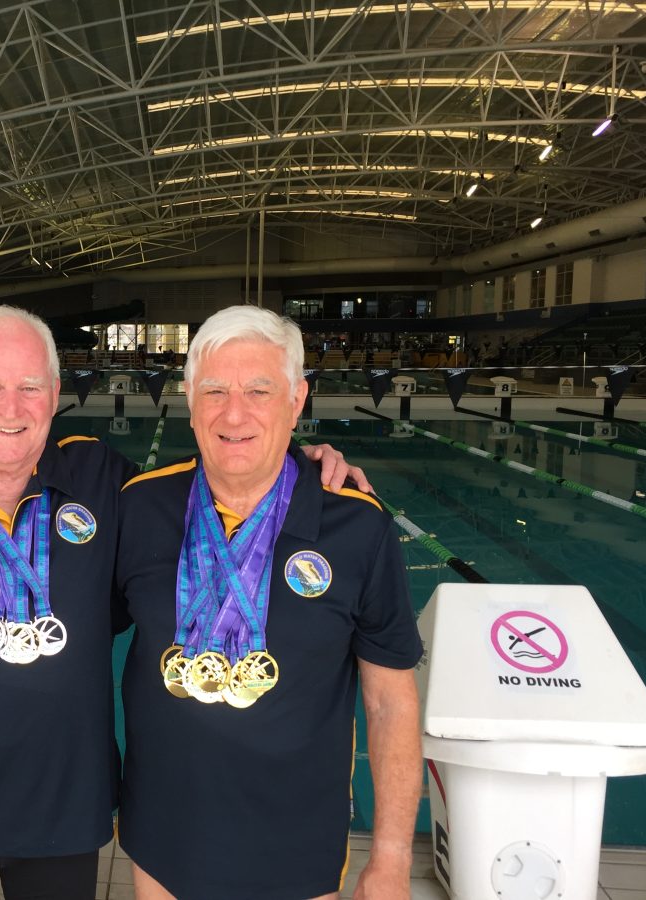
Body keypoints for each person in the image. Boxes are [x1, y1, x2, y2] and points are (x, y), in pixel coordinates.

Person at [0, 305, 370, 900]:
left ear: (55, 393)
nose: (12, 408)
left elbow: (213, 485)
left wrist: (300, 460)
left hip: (67, 816)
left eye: (30, 387)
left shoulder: (103, 480)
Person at [115, 305, 422, 900]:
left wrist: (389, 857)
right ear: (187, 395)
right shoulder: (140, 506)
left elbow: (390, 703)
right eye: (215, 391)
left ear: (297, 397)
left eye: (260, 390)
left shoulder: (357, 526)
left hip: (297, 842)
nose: (235, 414)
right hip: (163, 832)